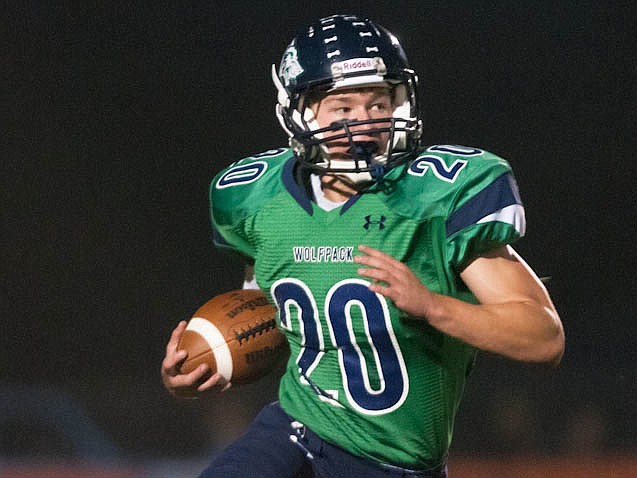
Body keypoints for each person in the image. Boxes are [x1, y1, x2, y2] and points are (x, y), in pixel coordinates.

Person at [161, 14, 564, 478]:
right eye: (344, 108)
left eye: (378, 104)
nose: (365, 124)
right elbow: (264, 305)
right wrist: (209, 357)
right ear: (301, 112)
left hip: (396, 464)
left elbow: (543, 338)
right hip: (296, 429)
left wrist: (432, 306)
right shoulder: (256, 198)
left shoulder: (434, 197)